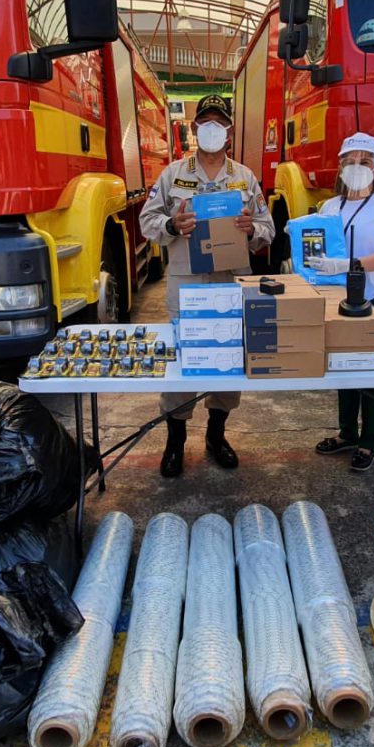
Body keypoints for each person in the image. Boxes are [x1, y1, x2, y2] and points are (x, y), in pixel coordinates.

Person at [139, 93, 274, 478]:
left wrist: (252, 231)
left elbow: (268, 229)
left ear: (229, 131)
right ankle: (175, 441)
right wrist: (170, 225)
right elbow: (148, 220)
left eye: (220, 122)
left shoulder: (244, 177)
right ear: (194, 128)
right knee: (184, 359)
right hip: (186, 283)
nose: (213, 128)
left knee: (228, 359)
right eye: (206, 122)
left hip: (231, 282)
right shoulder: (173, 174)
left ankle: (216, 436)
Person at [306, 133, 374, 474]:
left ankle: (369, 440)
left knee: (373, 372)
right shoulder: (329, 207)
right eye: (349, 161)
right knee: (344, 369)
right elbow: (317, 249)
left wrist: (346, 266)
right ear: (340, 167)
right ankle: (347, 433)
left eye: (364, 161)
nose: (356, 167)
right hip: (338, 301)